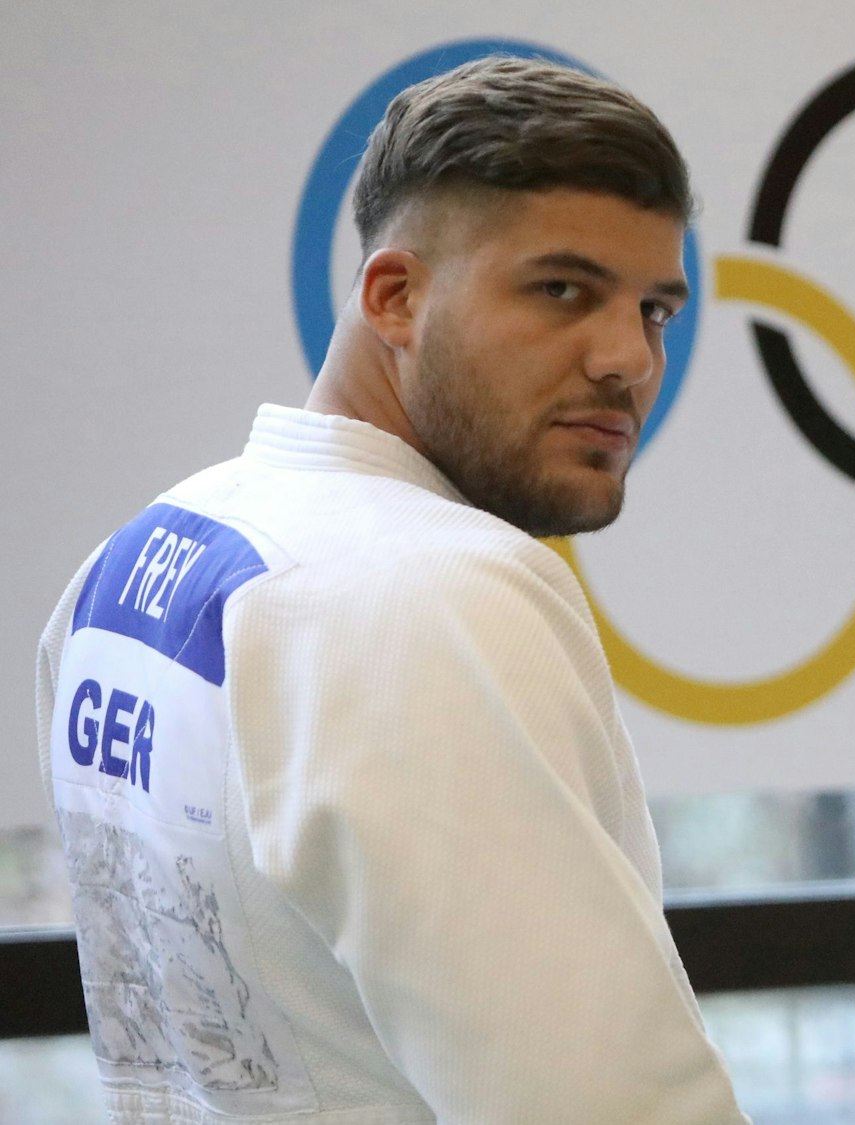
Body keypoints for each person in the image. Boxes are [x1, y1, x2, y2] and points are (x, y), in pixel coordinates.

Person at [34, 57, 746, 1123]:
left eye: (654, 310)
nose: (626, 359)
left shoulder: (132, 558)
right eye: (562, 291)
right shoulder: (434, 594)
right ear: (395, 296)